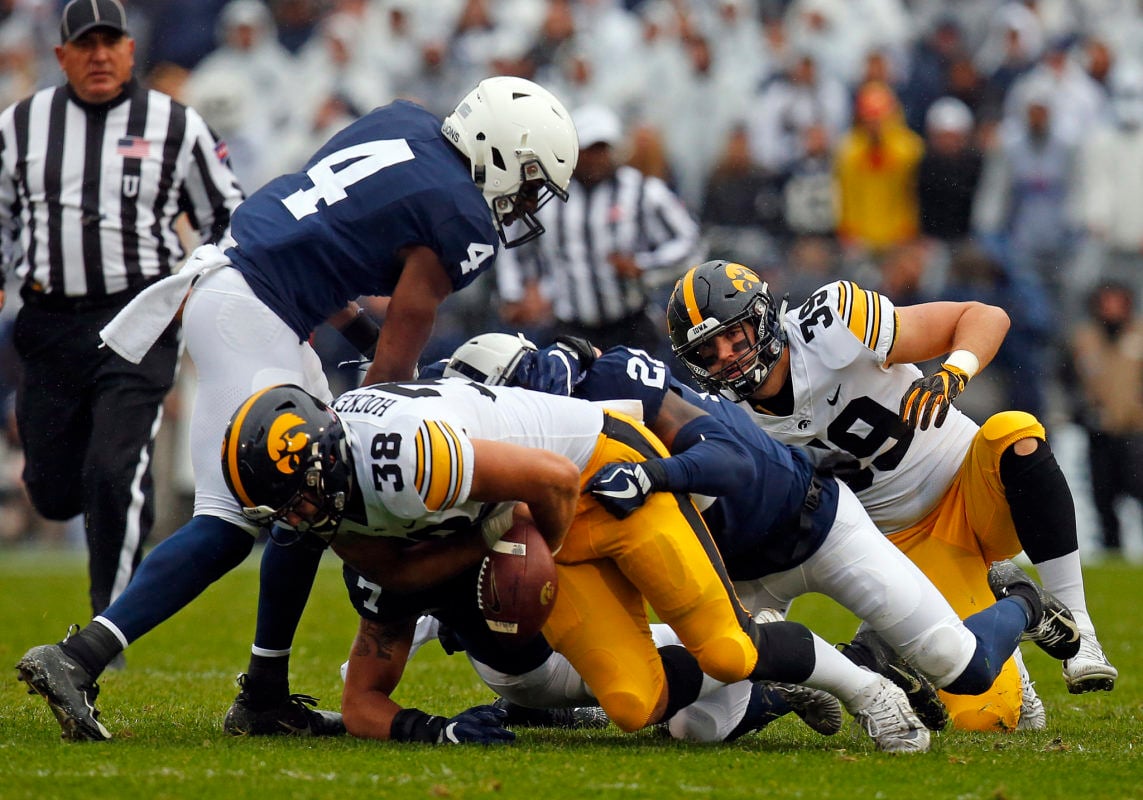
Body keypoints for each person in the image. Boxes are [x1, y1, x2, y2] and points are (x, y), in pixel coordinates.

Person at [15, 75, 579, 742]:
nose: (522, 202)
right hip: (253, 315)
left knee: (310, 504)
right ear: (497, 147)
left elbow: (312, 232)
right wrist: (385, 421)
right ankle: (79, 659)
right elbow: (396, 364)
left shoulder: (403, 123)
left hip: (243, 292)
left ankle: (264, 693)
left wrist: (366, 348)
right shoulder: (457, 213)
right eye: (528, 179)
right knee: (237, 519)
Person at [219, 381, 930, 752]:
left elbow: (551, 477)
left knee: (725, 646)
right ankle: (767, 673)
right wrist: (430, 729)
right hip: (526, 517)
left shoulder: (402, 458)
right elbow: (369, 675)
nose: (293, 522)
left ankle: (866, 687)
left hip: (593, 478)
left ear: (327, 459)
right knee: (630, 705)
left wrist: (538, 552)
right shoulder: (353, 528)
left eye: (296, 500)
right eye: (281, 510)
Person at [440, 332, 1082, 737]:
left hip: (816, 527)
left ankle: (1022, 604)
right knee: (697, 724)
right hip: (740, 570)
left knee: (964, 672)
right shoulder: (526, 470)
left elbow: (733, 464)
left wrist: (655, 474)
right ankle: (813, 681)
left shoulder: (614, 391)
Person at [663, 259, 1117, 730]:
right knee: (986, 717)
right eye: (707, 352)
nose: (727, 355)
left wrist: (953, 372)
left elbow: (985, 316)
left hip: (970, 483)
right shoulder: (723, 420)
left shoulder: (834, 321)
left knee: (1014, 431)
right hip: (904, 545)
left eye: (734, 335)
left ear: (762, 317)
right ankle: (995, 609)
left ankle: (1080, 629)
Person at [0, 0, 243, 627]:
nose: (99, 55)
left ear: (131, 50)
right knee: (54, 490)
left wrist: (198, 282)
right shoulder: (21, 124)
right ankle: (86, 507)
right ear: (61, 56)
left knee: (114, 468)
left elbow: (227, 213)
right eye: (85, 44)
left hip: (139, 316)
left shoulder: (175, 124)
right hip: (49, 321)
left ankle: (107, 619)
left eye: (111, 42)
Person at [495, 103, 700, 359]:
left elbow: (689, 241)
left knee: (637, 396)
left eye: (602, 148)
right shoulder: (546, 195)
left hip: (630, 323)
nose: (597, 157)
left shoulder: (640, 191)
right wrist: (517, 293)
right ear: (574, 151)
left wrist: (644, 265)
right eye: (590, 149)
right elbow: (513, 245)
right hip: (568, 327)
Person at [1067, 281, 1143, 557]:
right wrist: (1079, 410)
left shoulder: (1139, 334)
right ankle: (1113, 553)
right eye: (1106, 301)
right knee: (1103, 496)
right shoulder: (1084, 339)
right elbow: (1067, 378)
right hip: (1098, 432)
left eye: (1117, 301)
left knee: (1138, 488)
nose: (1111, 307)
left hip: (1135, 430)